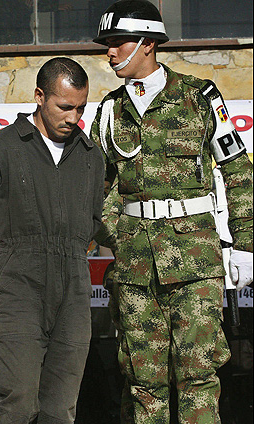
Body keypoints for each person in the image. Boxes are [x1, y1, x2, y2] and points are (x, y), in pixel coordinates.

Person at [90, 1, 254, 422]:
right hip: (135, 270)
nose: (109, 51)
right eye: (107, 43)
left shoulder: (200, 97)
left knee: (198, 377)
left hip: (195, 265)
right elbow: (96, 188)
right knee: (143, 382)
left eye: (118, 41)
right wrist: (120, 235)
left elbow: (237, 170)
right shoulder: (109, 110)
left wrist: (246, 245)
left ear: (147, 43)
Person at [0, 57, 105, 423]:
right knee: (16, 401)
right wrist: (2, 272)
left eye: (81, 108)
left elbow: (92, 221)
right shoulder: (1, 149)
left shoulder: (90, 156)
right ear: (40, 96)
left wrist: (72, 255)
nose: (73, 117)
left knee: (60, 407)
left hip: (73, 292)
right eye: (65, 106)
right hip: (18, 289)